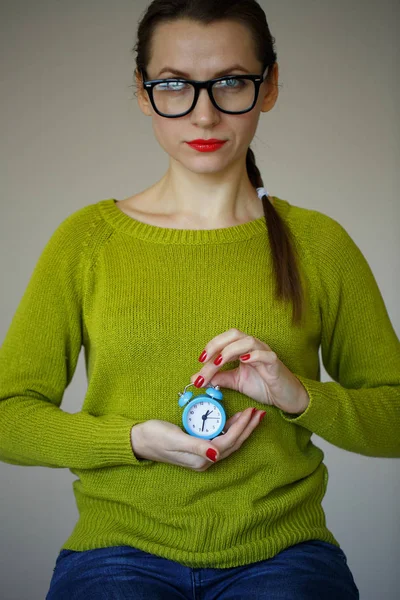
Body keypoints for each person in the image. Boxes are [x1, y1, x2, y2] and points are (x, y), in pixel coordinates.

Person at [1, 0, 399, 598]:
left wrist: (299, 395)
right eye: (174, 86)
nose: (205, 115)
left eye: (231, 82)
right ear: (142, 92)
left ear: (269, 88)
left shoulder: (319, 243)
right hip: (118, 550)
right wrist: (132, 440)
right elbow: (7, 414)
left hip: (284, 552)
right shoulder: (88, 240)